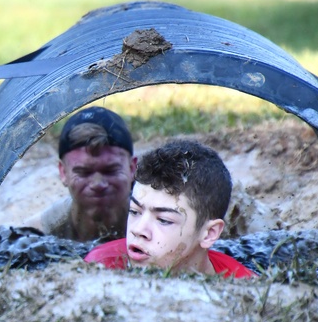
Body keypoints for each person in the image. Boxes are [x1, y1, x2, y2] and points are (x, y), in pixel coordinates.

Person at [85, 139, 256, 278]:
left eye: (164, 220)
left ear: (209, 233)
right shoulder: (100, 269)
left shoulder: (244, 287)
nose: (138, 230)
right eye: (135, 211)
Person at [26, 106, 137, 242]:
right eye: (84, 173)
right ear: (63, 172)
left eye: (110, 171)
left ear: (132, 168)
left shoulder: (156, 221)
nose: (98, 184)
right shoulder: (42, 232)